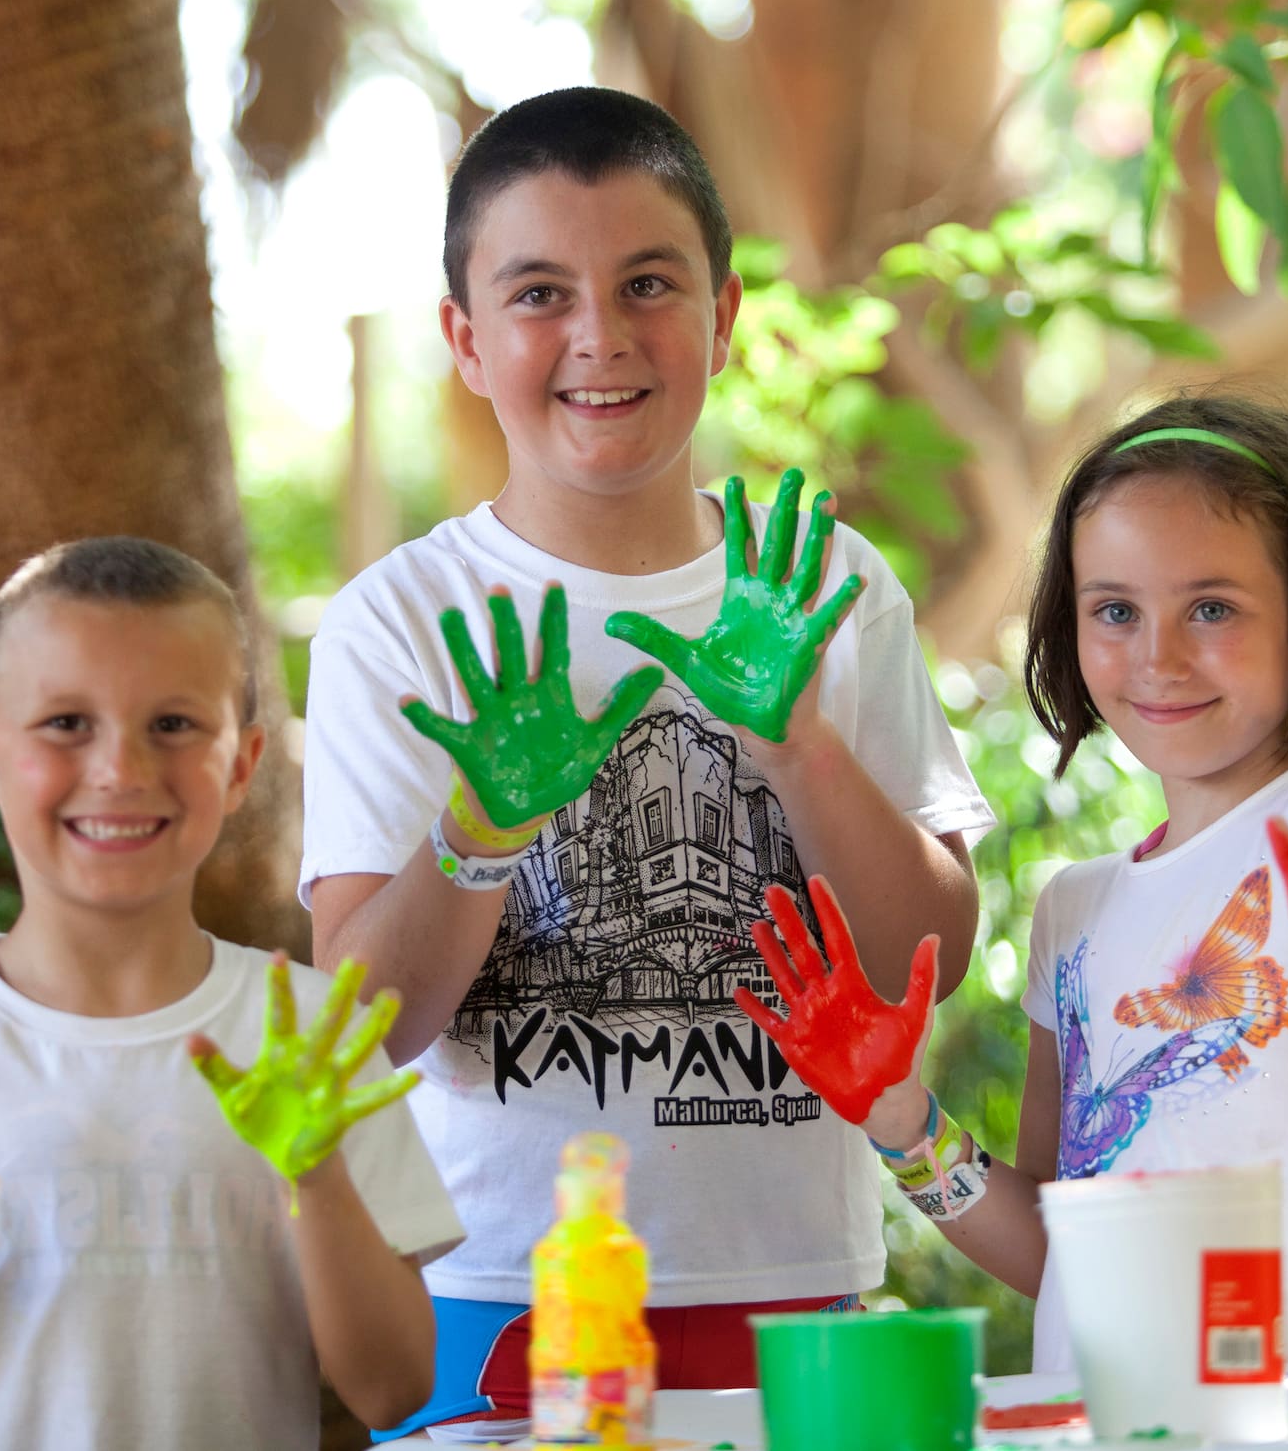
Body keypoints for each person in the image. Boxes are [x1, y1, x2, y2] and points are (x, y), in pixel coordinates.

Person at [300, 86, 996, 1438]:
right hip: (492, 1301)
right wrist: (479, 834)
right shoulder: (400, 621)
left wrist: (797, 751)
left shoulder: (824, 586)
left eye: (647, 284)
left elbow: (931, 957)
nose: (599, 337)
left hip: (797, 1299)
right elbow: (363, 1026)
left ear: (723, 315)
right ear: (464, 338)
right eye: (539, 294)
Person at [739, 396, 1288, 1376]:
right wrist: (900, 1123)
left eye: (1211, 608)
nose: (1158, 656)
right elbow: (1060, 1252)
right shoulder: (1073, 909)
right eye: (1115, 611)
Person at [0, 537, 464, 1450]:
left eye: (173, 724)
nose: (120, 769)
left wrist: (320, 1178)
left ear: (242, 763)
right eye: (66, 722)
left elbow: (391, 1391)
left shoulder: (309, 1037)